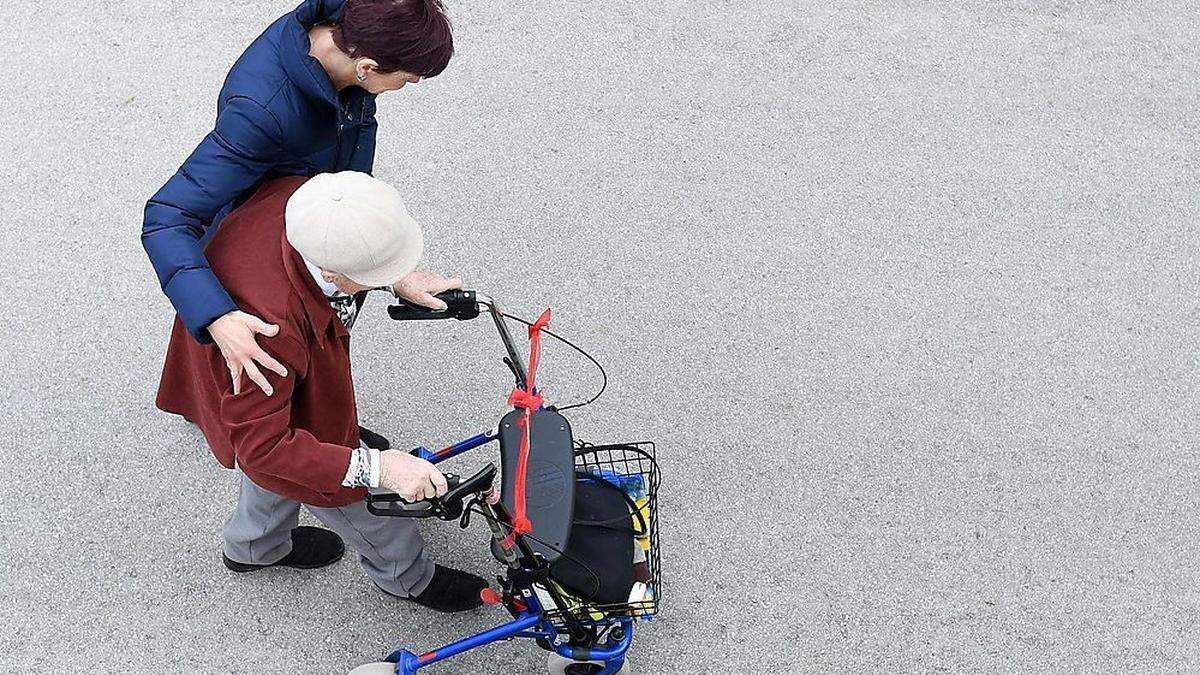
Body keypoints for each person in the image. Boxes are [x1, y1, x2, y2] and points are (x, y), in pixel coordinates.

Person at [156, 171, 489, 612]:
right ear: (333, 270)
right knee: (368, 511)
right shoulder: (271, 331)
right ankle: (409, 580)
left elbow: (260, 439)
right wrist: (377, 469)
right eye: (376, 273)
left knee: (278, 471)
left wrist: (395, 275)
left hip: (255, 392)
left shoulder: (305, 202)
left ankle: (254, 547)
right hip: (263, 388)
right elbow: (263, 447)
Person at [142, 0, 460, 400]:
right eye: (408, 78)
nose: (410, 85)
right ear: (366, 67)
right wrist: (218, 317)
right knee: (273, 363)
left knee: (319, 346)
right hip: (270, 236)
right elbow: (167, 217)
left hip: (318, 216)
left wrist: (385, 267)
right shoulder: (260, 116)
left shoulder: (351, 30)